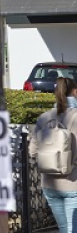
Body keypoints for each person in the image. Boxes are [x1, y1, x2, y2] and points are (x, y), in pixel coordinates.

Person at [30, 76, 77, 233]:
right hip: (73, 182)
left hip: (49, 183)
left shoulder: (43, 118)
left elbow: (32, 151)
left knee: (64, 228)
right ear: (74, 91)